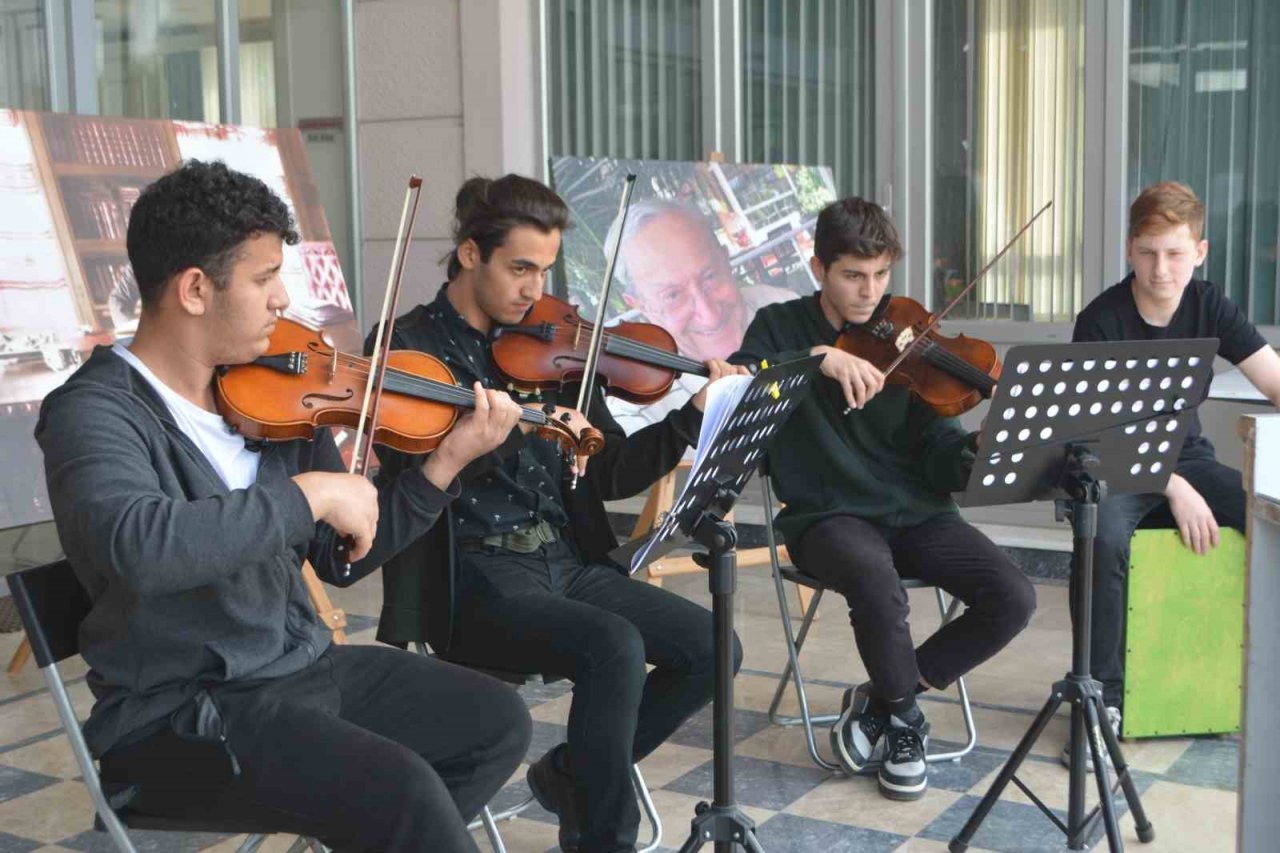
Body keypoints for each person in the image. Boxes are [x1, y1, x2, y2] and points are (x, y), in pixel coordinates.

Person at [35, 160, 533, 853]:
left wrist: (446, 461)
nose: (282, 298)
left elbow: (342, 554)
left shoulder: (268, 392)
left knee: (496, 720)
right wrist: (308, 493)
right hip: (181, 717)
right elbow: (138, 545)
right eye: (265, 277)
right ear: (195, 289)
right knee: (398, 787)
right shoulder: (94, 413)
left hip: (298, 672)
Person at [372, 174, 748, 853]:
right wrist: (521, 427)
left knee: (714, 645)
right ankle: (604, 839)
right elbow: (421, 476)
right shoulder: (409, 349)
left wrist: (691, 420)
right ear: (468, 255)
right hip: (472, 576)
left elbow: (608, 472)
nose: (532, 287)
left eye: (543, 269)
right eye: (519, 267)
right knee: (614, 646)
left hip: (564, 562)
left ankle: (576, 773)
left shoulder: (556, 345)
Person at [730, 197, 1036, 801]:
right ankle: (909, 727)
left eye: (881, 275)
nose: (869, 292)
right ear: (819, 270)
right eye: (852, 276)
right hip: (826, 516)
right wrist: (817, 358)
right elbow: (742, 387)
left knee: (1014, 596)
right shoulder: (780, 327)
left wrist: (975, 451)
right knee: (875, 579)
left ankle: (885, 702)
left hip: (914, 512)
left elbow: (938, 449)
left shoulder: (910, 337)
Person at [1067, 180, 1280, 761]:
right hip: (1113, 464)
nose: (1162, 269)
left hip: (1187, 459)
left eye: (1176, 254)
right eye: (1149, 252)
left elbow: (1273, 378)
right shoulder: (1100, 320)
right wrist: (1173, 486)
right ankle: (1097, 701)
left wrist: (1183, 477)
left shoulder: (1210, 305)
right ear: (1131, 250)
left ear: (1200, 252)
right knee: (1103, 538)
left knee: (1271, 520)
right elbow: (1097, 434)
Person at [606, 198, 794, 433]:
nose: (709, 315)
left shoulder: (784, 307)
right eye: (673, 295)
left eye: (710, 276)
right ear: (642, 306)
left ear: (726, 260)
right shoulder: (634, 415)